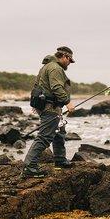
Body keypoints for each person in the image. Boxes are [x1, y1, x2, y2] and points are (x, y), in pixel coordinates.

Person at [22, 46, 76, 178]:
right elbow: (56, 87)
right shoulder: (55, 68)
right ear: (64, 57)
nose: (69, 63)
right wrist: (67, 102)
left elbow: (37, 86)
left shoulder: (46, 67)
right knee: (45, 136)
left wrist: (36, 104)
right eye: (69, 60)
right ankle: (29, 167)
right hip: (50, 107)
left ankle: (60, 160)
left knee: (59, 133)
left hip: (49, 105)